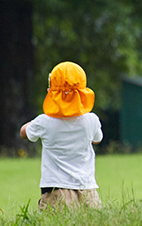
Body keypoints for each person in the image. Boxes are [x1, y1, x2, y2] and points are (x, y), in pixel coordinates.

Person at [20, 61, 103, 210]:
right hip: (88, 190)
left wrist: (35, 122)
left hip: (55, 192)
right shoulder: (92, 120)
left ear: (51, 92)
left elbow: (24, 132)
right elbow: (97, 139)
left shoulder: (44, 122)